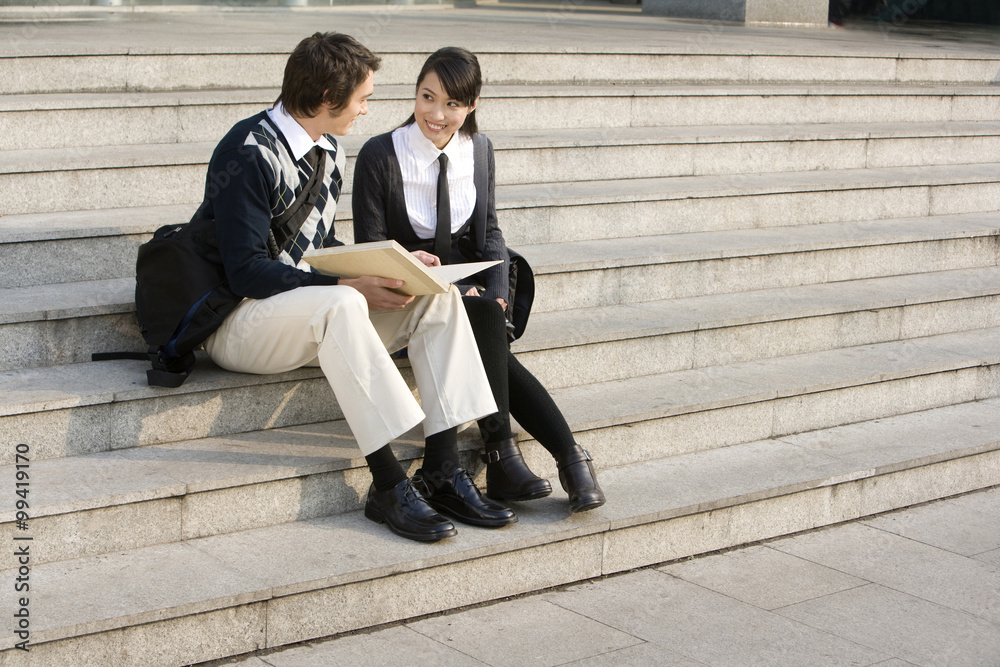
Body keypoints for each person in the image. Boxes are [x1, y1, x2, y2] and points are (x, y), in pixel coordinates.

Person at [195, 32, 516, 542]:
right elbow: (246, 272)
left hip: (303, 314)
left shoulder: (328, 149)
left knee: (438, 294)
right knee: (344, 300)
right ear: (328, 99)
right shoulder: (248, 151)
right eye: (362, 98)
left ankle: (442, 469)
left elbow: (315, 244)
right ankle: (388, 485)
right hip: (239, 321)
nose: (367, 110)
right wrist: (348, 281)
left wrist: (393, 262)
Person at [353, 47, 605, 514]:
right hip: (408, 297)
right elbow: (371, 248)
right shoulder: (380, 155)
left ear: (470, 106)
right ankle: (546, 456)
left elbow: (489, 233)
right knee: (477, 320)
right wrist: (424, 271)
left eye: (452, 104)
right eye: (427, 97)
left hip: (468, 291)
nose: (436, 113)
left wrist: (494, 288)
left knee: (486, 311)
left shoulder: (480, 150)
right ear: (415, 93)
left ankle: (521, 459)